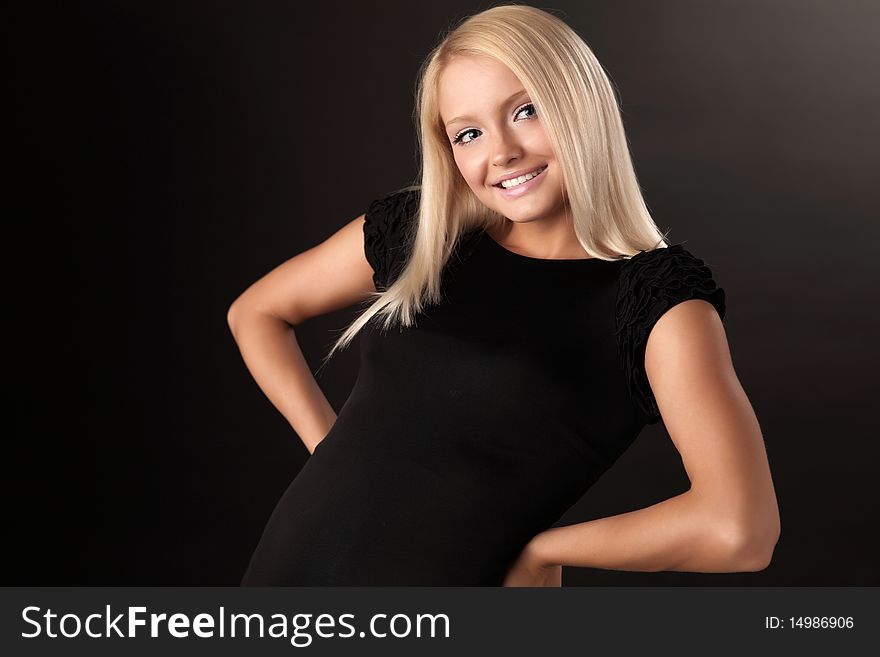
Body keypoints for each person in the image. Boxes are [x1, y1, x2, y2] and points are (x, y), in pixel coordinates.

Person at [228, 4, 780, 587]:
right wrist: (329, 450)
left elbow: (737, 529)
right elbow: (255, 313)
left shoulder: (652, 299)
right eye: (468, 133)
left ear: (579, 105)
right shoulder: (426, 236)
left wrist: (543, 551)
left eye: (526, 110)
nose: (501, 152)